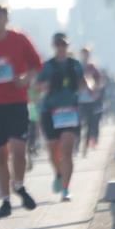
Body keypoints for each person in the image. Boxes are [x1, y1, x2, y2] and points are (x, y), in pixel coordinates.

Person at [0, 3, 42, 219]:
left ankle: (20, 184)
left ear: (6, 18)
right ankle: (5, 201)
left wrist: (26, 79)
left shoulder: (19, 39)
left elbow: (36, 65)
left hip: (16, 102)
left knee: (18, 149)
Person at [37, 33, 86, 202]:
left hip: (70, 112)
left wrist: (87, 86)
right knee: (53, 150)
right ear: (54, 46)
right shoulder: (47, 66)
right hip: (50, 112)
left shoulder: (76, 65)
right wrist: (48, 85)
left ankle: (65, 189)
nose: (61, 48)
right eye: (58, 45)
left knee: (67, 151)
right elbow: (36, 87)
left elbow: (84, 84)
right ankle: (58, 173)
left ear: (68, 46)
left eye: (64, 44)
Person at [78, 46, 104, 156]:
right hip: (78, 99)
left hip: (90, 99)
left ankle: (86, 145)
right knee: (78, 123)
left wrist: (94, 88)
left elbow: (100, 82)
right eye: (83, 54)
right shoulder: (77, 66)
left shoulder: (93, 68)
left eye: (86, 54)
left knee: (89, 123)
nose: (85, 56)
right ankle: (77, 143)